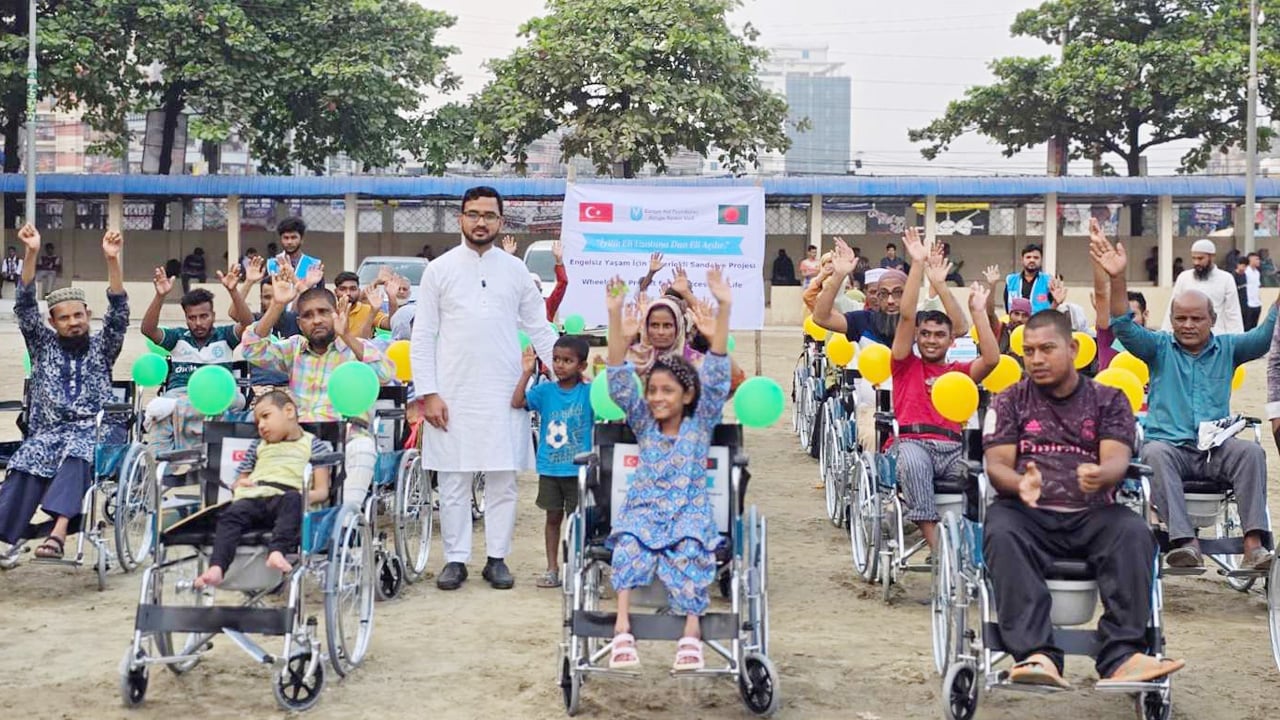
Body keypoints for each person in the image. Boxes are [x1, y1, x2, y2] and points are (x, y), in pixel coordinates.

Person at [982, 309, 1184, 690]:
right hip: (1027, 513)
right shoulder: (1009, 400)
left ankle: (1122, 655)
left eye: (1046, 349)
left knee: (1135, 532)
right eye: (1028, 351)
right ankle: (1036, 654)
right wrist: (1018, 483)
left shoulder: (1107, 399)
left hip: (1093, 512)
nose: (1036, 359)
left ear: (1073, 349)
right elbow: (997, 464)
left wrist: (1103, 474)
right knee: (1001, 529)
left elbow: (1117, 458)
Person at [1093, 230, 1275, 572]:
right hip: (1171, 450)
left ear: (1213, 321)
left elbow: (1264, 337)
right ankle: (1184, 543)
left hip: (1215, 451)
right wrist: (1117, 278)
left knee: (1251, 452)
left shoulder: (1229, 348)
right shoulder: (1158, 347)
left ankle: (1253, 545)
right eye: (1181, 318)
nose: (1188, 325)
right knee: (1154, 453)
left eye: (1196, 319)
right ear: (1172, 320)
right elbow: (1121, 325)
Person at [408, 186, 561, 591]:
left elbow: (539, 327)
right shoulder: (438, 270)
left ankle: (497, 558)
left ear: (500, 221)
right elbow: (423, 336)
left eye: (489, 215)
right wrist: (429, 393)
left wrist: (566, 373)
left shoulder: (516, 272)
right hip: (451, 391)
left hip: (504, 390)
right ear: (461, 218)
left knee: (502, 479)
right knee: (454, 479)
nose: (480, 222)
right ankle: (455, 560)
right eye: (473, 214)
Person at [600, 266, 734, 673]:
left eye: (667, 391)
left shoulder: (701, 421)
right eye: (653, 390)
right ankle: (622, 630)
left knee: (692, 551)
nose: (657, 397)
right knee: (627, 547)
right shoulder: (643, 422)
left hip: (688, 513)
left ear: (687, 394)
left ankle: (690, 635)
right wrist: (615, 318)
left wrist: (723, 309)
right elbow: (620, 382)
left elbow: (717, 374)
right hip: (644, 511)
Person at [0, 226, 127, 562]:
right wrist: (31, 253)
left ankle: (58, 532)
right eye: (65, 318)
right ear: (53, 323)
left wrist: (111, 260)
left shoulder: (103, 346)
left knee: (77, 452)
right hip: (49, 431)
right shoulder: (42, 345)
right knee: (27, 457)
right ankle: (5, 534)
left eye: (79, 315)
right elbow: (25, 305)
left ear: (88, 315)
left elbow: (119, 313)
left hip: (95, 430)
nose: (74, 323)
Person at [241, 270, 394, 513]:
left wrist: (346, 335)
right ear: (300, 324)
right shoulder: (293, 349)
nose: (317, 320)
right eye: (308, 316)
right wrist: (278, 306)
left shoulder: (355, 349)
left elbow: (385, 374)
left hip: (346, 436)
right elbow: (251, 349)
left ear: (337, 314)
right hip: (299, 438)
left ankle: (347, 521)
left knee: (363, 447)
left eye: (324, 312)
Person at [889, 228, 998, 551]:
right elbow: (908, 315)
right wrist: (918, 264)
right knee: (913, 464)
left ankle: (977, 546)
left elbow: (991, 360)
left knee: (984, 473)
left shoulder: (958, 372)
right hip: (912, 443)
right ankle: (938, 549)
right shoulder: (904, 363)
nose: (931, 339)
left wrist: (979, 313)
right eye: (926, 334)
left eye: (939, 334)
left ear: (951, 340)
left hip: (952, 448)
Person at [192, 391, 334, 588]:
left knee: (292, 500)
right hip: (255, 496)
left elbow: (322, 491)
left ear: (289, 411)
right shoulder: (258, 446)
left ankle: (276, 552)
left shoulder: (313, 445)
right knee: (230, 516)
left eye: (266, 416)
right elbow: (239, 480)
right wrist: (239, 484)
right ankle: (217, 567)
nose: (261, 425)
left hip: (287, 498)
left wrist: (302, 496)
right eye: (258, 421)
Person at [140, 262, 252, 453]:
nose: (198, 323)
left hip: (218, 397)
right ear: (185, 318)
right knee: (161, 418)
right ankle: (158, 472)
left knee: (238, 401)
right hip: (180, 392)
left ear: (213, 316)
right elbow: (148, 330)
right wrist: (160, 296)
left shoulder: (225, 336)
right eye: (192, 318)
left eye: (204, 316)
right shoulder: (176, 338)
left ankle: (179, 407)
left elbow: (248, 324)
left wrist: (233, 292)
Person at [511, 335, 593, 589]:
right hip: (550, 468)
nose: (560, 365)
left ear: (581, 365)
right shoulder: (545, 391)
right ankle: (552, 568)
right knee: (552, 519)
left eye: (568, 361)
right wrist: (526, 373)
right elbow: (517, 402)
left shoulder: (589, 393)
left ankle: (580, 569)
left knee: (580, 521)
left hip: (579, 471)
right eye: (556, 359)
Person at [1161, 239, 1243, 334]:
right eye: (1193, 258)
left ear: (1212, 257)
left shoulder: (1226, 279)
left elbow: (1232, 313)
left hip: (1216, 337)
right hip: (1187, 336)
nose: (1196, 262)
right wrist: (1165, 335)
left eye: (1200, 258)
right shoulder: (1184, 278)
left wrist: (1237, 341)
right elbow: (1172, 309)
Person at [333, 271, 392, 339]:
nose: (348, 293)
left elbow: (389, 325)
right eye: (343, 289)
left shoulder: (368, 310)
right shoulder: (329, 312)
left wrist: (392, 298)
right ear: (336, 292)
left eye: (353, 289)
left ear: (359, 291)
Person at [266, 217, 322, 285]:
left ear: (302, 239)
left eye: (293, 237)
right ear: (281, 239)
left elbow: (320, 294)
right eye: (286, 238)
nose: (289, 242)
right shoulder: (271, 265)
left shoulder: (314, 265)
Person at [1004, 243, 1051, 313]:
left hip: (1039, 322)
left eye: (1036, 257)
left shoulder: (1049, 281)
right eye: (1028, 257)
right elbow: (1008, 308)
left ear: (1041, 260)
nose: (1032, 260)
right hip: (1016, 323)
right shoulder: (1011, 280)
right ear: (1022, 259)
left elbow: (1053, 308)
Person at [1244, 253, 1263, 331]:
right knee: (1247, 326)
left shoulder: (1257, 273)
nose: (1259, 261)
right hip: (1249, 304)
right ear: (1250, 260)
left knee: (1254, 327)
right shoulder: (1246, 272)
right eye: (1256, 259)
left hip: (1257, 303)